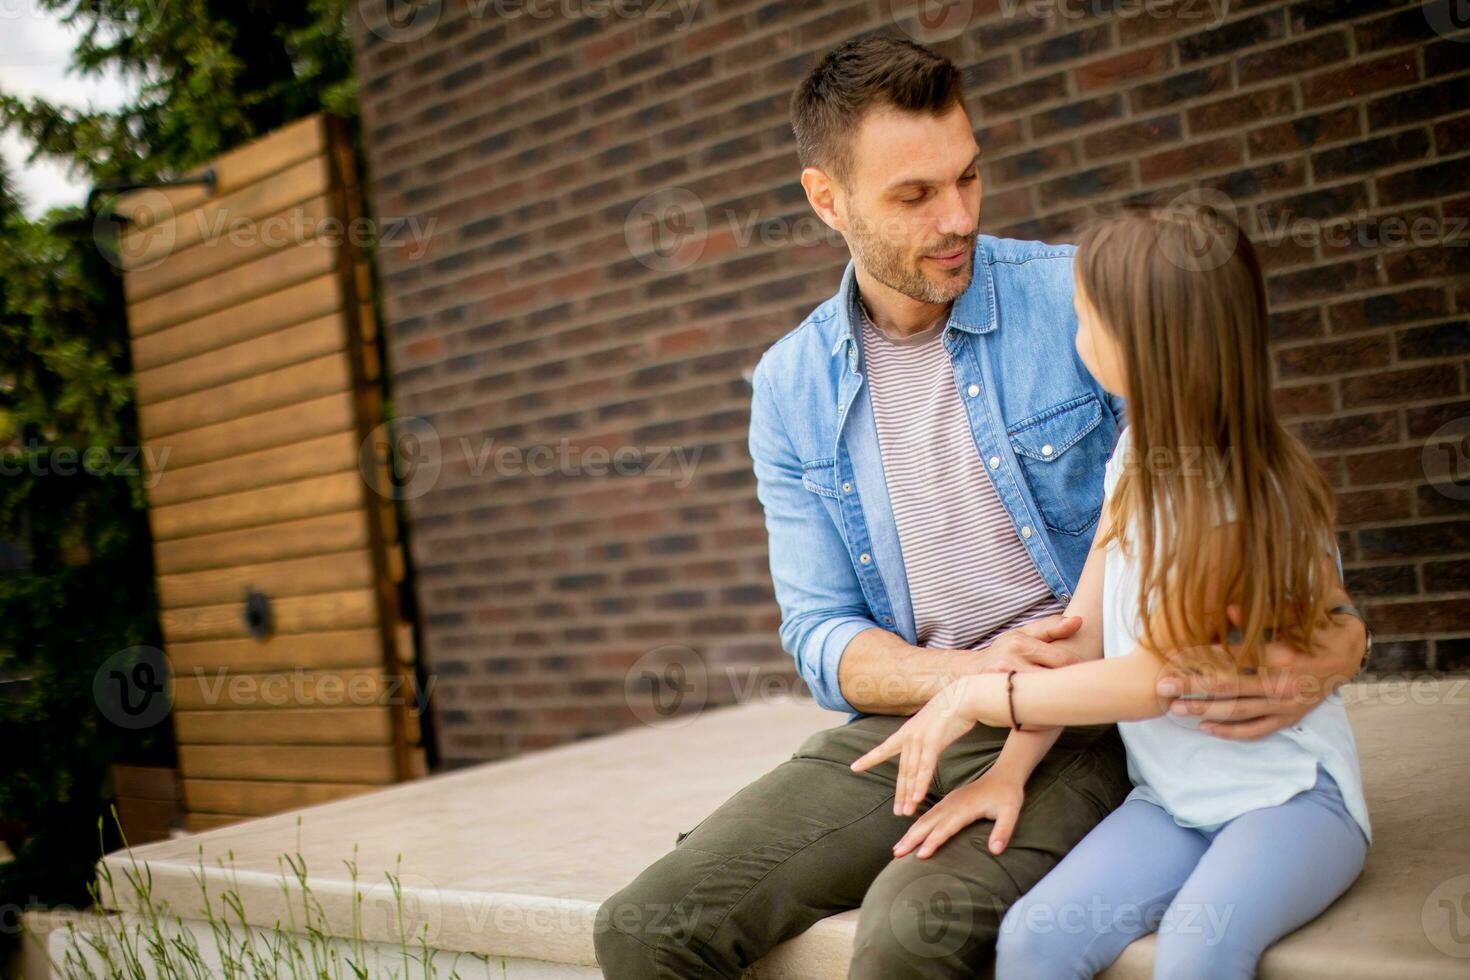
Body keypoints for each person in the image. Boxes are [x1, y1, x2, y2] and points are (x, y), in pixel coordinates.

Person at [594, 34, 1368, 980]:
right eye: (914, 196)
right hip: (927, 714)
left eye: (968, 177)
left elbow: (1254, 506)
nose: (957, 216)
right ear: (825, 198)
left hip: (1093, 718)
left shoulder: (1089, 297)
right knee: (647, 925)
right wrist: (961, 685)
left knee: (908, 932)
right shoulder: (791, 385)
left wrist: (1335, 642)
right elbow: (821, 633)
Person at [851, 204, 1373, 980]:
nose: (1076, 337)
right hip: (1170, 800)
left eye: (1088, 320)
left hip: (1289, 797)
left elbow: (1148, 681)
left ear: (1148, 346)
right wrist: (1011, 768)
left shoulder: (1233, 485)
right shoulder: (1135, 456)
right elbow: (1082, 635)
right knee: (1035, 937)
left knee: (1201, 941)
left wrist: (978, 698)